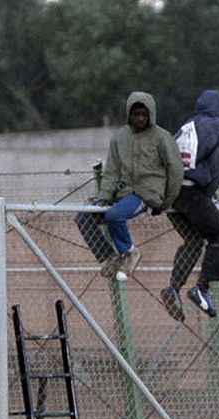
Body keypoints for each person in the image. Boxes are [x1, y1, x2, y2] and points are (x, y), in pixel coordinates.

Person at [76, 91, 183, 281]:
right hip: (122, 192)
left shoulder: (162, 138)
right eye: (136, 114)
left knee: (114, 215)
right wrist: (103, 197)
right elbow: (112, 172)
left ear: (151, 114)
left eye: (144, 114)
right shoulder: (119, 138)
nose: (140, 118)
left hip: (145, 194)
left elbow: (175, 171)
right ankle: (110, 257)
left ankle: (131, 252)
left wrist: (165, 202)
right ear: (129, 115)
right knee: (84, 217)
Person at [159, 89, 219, 322]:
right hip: (192, 191)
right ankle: (202, 287)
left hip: (168, 193)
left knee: (193, 240)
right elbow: (217, 164)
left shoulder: (185, 126)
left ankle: (173, 288)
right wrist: (207, 195)